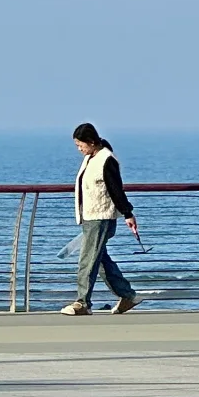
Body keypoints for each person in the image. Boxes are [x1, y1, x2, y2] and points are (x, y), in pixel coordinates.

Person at [61, 124, 142, 316]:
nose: (79, 149)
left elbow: (116, 189)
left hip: (100, 217)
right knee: (100, 260)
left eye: (80, 144)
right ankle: (128, 295)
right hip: (90, 217)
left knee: (87, 260)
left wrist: (127, 213)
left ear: (91, 142)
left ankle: (83, 302)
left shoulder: (106, 159)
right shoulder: (91, 158)